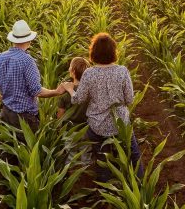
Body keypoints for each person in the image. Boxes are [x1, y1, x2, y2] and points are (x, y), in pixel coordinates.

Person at [62, 33, 144, 182]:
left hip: (97, 126)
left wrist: (69, 89)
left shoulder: (89, 74)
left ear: (93, 53)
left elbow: (78, 99)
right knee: (134, 154)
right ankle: (139, 186)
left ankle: (106, 190)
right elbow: (130, 99)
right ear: (113, 52)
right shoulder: (122, 71)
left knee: (102, 159)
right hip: (121, 125)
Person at [0, 19, 65, 134]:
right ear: (29, 40)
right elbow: (37, 91)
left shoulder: (0, 57)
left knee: (9, 148)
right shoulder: (27, 61)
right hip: (24, 119)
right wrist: (56, 92)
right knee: (29, 150)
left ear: (13, 40)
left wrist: (1, 98)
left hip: (5, 113)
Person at [57, 57, 91, 164]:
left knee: (70, 154)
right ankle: (86, 174)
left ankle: (73, 176)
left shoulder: (66, 93)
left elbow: (60, 115)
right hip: (87, 129)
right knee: (86, 153)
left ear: (72, 72)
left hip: (69, 130)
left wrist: (59, 129)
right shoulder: (89, 91)